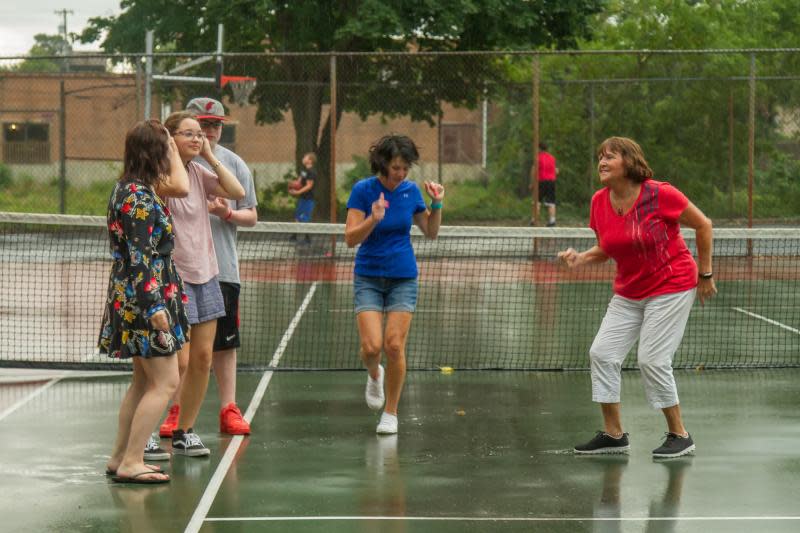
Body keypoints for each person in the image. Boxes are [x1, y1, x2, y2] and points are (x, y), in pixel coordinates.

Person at [558, 136, 716, 459]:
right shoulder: (599, 202)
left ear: (628, 162)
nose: (601, 162)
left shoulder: (660, 194)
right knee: (601, 353)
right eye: (600, 157)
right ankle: (614, 435)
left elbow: (704, 225)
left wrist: (706, 273)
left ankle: (680, 434)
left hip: (672, 283)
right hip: (629, 290)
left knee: (653, 359)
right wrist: (581, 258)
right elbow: (608, 247)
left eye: (610, 157)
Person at [99, 119, 190, 484]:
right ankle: (133, 461)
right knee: (166, 382)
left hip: (137, 294)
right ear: (155, 152)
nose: (172, 153)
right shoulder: (138, 197)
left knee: (141, 382)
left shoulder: (130, 188)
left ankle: (120, 456)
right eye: (167, 148)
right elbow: (141, 257)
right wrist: (155, 309)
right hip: (145, 298)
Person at [157, 111, 246, 456]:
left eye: (201, 134)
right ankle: (152, 427)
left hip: (207, 273)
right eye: (189, 134)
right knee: (177, 361)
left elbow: (235, 190)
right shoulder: (163, 175)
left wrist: (208, 156)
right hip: (174, 276)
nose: (198, 138)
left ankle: (185, 429)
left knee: (203, 358)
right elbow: (177, 187)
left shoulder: (198, 170)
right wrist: (173, 153)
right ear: (170, 138)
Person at [344, 134, 444, 435]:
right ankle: (374, 375)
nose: (401, 173)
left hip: (403, 276)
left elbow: (431, 231)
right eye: (396, 167)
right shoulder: (363, 190)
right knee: (372, 347)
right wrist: (373, 219)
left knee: (394, 344)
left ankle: (391, 412)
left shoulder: (410, 192)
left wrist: (437, 203)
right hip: (368, 277)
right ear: (383, 163)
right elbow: (350, 238)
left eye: (405, 167)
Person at [186, 97, 258, 435]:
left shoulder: (234, 164)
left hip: (223, 269)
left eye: (215, 125)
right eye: (202, 125)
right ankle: (176, 410)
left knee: (224, 345)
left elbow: (251, 215)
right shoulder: (173, 164)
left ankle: (229, 408)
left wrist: (225, 213)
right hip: (183, 270)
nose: (209, 131)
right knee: (182, 348)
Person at [288, 152, 317, 242]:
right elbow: (299, 182)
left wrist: (297, 192)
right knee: (297, 216)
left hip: (309, 199)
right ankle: (294, 235)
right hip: (302, 198)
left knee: (304, 217)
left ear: (310, 160)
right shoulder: (304, 170)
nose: (303, 158)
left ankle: (307, 237)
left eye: (305, 157)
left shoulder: (312, 172)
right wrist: (293, 185)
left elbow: (309, 186)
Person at [535, 142, 558, 227]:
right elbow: (556, 170)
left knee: (537, 201)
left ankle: (535, 220)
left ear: (539, 149)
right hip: (551, 182)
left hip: (542, 181)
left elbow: (535, 170)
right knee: (551, 201)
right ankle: (552, 220)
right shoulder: (552, 158)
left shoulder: (538, 157)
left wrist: (532, 183)